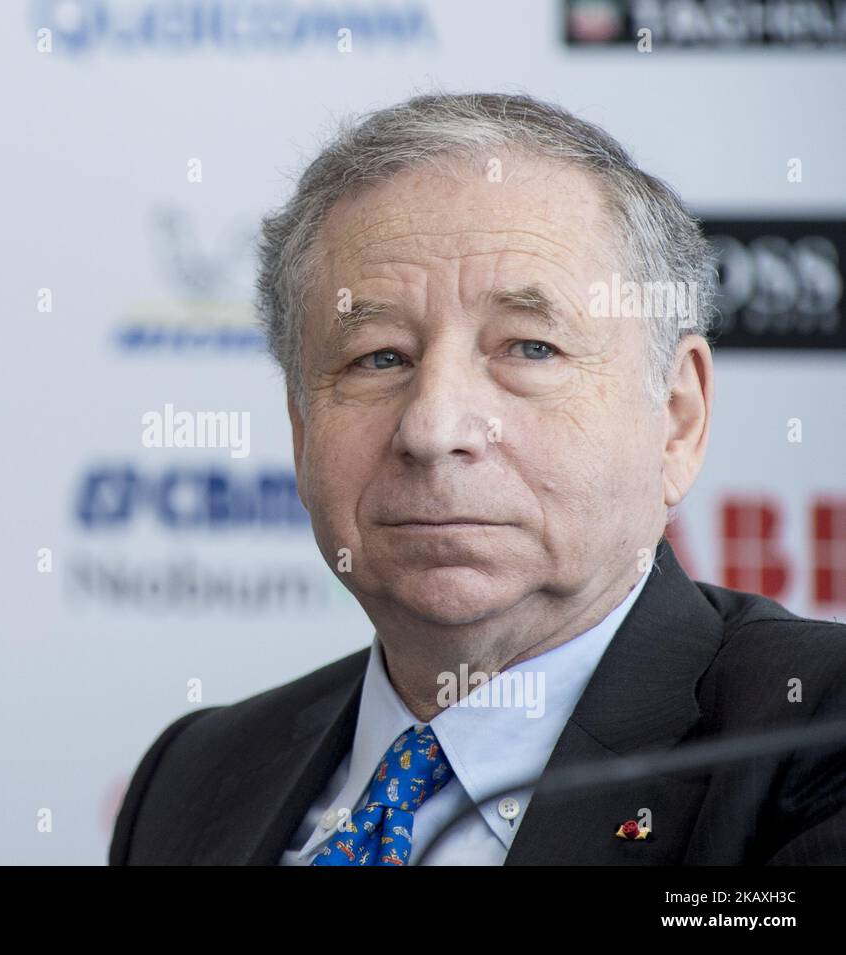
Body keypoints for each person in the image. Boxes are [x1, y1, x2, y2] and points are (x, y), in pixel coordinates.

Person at [109, 92, 846, 865]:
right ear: (300, 429)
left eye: (528, 348)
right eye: (379, 357)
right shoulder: (195, 776)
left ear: (677, 415)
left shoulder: (812, 736)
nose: (434, 429)